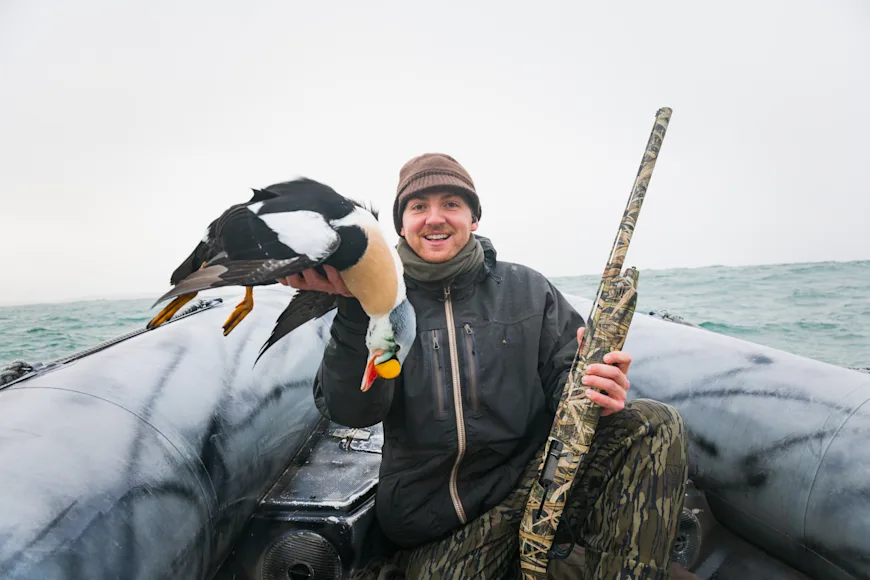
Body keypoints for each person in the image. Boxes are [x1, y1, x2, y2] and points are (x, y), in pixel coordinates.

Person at [278, 153, 689, 579]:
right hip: (437, 522)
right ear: (401, 224)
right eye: (419, 207)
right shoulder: (380, 303)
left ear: (473, 218)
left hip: (532, 481)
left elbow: (568, 385)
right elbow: (353, 411)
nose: (435, 218)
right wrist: (352, 306)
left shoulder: (527, 288)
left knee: (654, 423)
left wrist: (595, 390)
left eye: (451, 204)